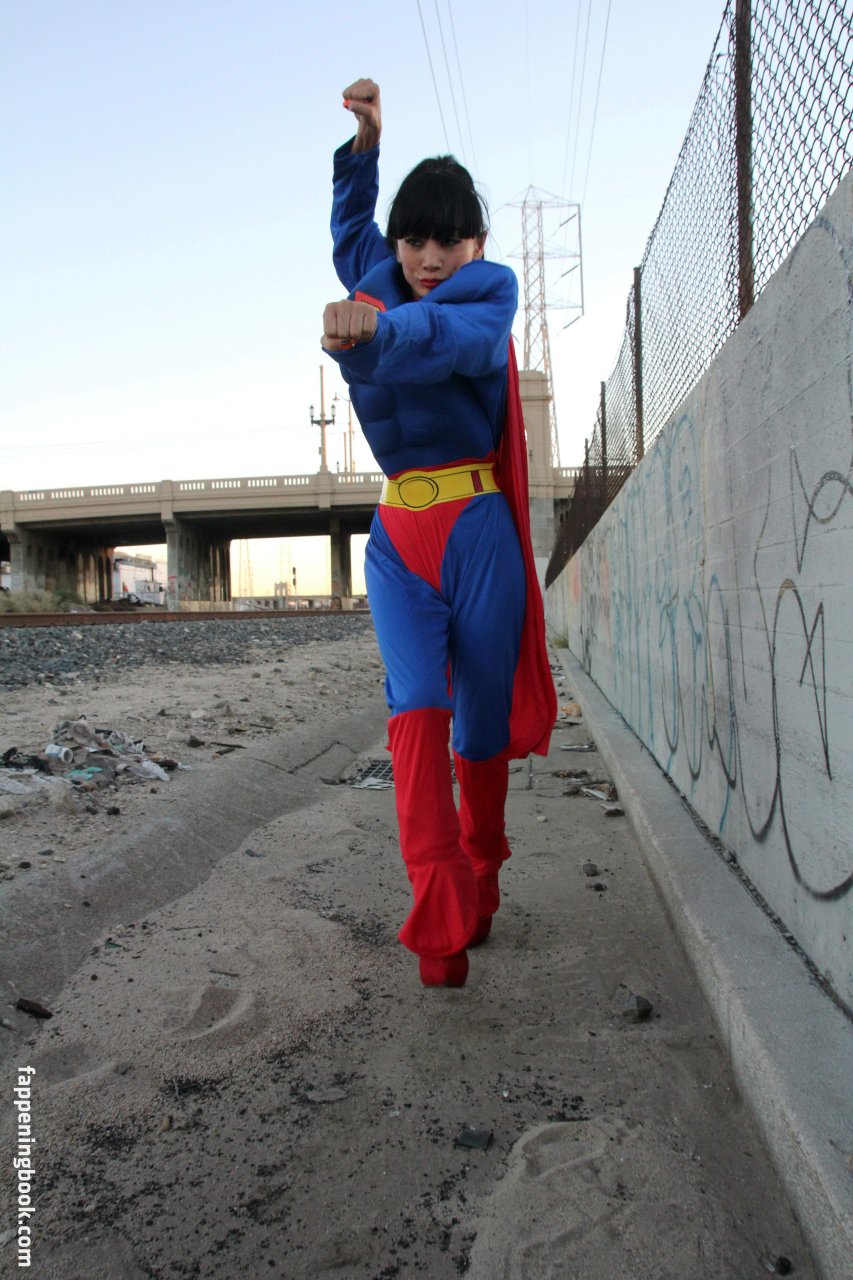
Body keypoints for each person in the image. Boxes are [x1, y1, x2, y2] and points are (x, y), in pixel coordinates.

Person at [322, 78, 556, 987]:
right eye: (414, 240)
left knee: (480, 722)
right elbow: (350, 225)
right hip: (398, 537)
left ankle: (482, 866)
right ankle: (438, 904)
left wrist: (373, 332)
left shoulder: (486, 294)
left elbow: (446, 343)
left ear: (476, 244)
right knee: (416, 710)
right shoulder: (376, 277)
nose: (428, 257)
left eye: (448, 240)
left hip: (476, 530)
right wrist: (365, 147)